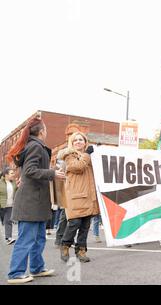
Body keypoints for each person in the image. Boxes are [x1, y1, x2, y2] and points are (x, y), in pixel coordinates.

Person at [6, 115, 65, 284]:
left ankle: (37, 268)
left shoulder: (34, 146)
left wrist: (51, 171)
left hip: (37, 202)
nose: (46, 131)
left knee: (39, 238)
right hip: (30, 202)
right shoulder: (35, 147)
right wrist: (52, 173)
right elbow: (31, 170)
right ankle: (15, 273)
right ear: (41, 132)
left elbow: (29, 171)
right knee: (26, 239)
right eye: (45, 129)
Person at [60, 132, 100, 263]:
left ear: (85, 142)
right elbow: (78, 167)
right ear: (71, 143)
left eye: (81, 140)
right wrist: (87, 154)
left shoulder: (90, 157)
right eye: (75, 140)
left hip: (89, 196)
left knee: (85, 225)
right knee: (74, 223)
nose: (78, 142)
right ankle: (65, 245)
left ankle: (81, 250)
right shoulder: (68, 156)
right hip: (75, 196)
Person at [0, 168, 17, 245]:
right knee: (5, 221)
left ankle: (8, 238)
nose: (13, 174)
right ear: (6, 175)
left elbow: (16, 191)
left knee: (8, 221)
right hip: (1, 205)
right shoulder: (0, 183)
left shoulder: (14, 182)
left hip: (9, 205)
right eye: (11, 173)